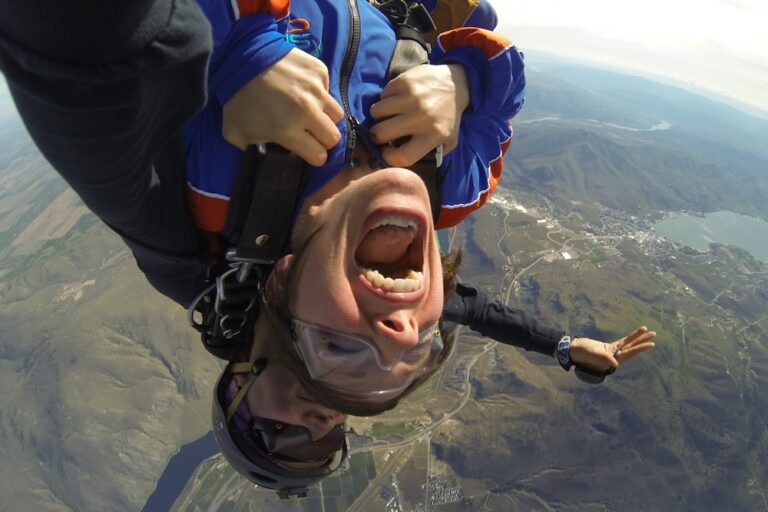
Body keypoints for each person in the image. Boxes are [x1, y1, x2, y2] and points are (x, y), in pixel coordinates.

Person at [0, 0, 655, 497]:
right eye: (333, 428)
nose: (316, 417)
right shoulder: (445, 189)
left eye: (280, 432)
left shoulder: (193, 223)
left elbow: (71, 49)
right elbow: (474, 307)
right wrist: (461, 82)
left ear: (235, 387)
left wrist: (236, 51)